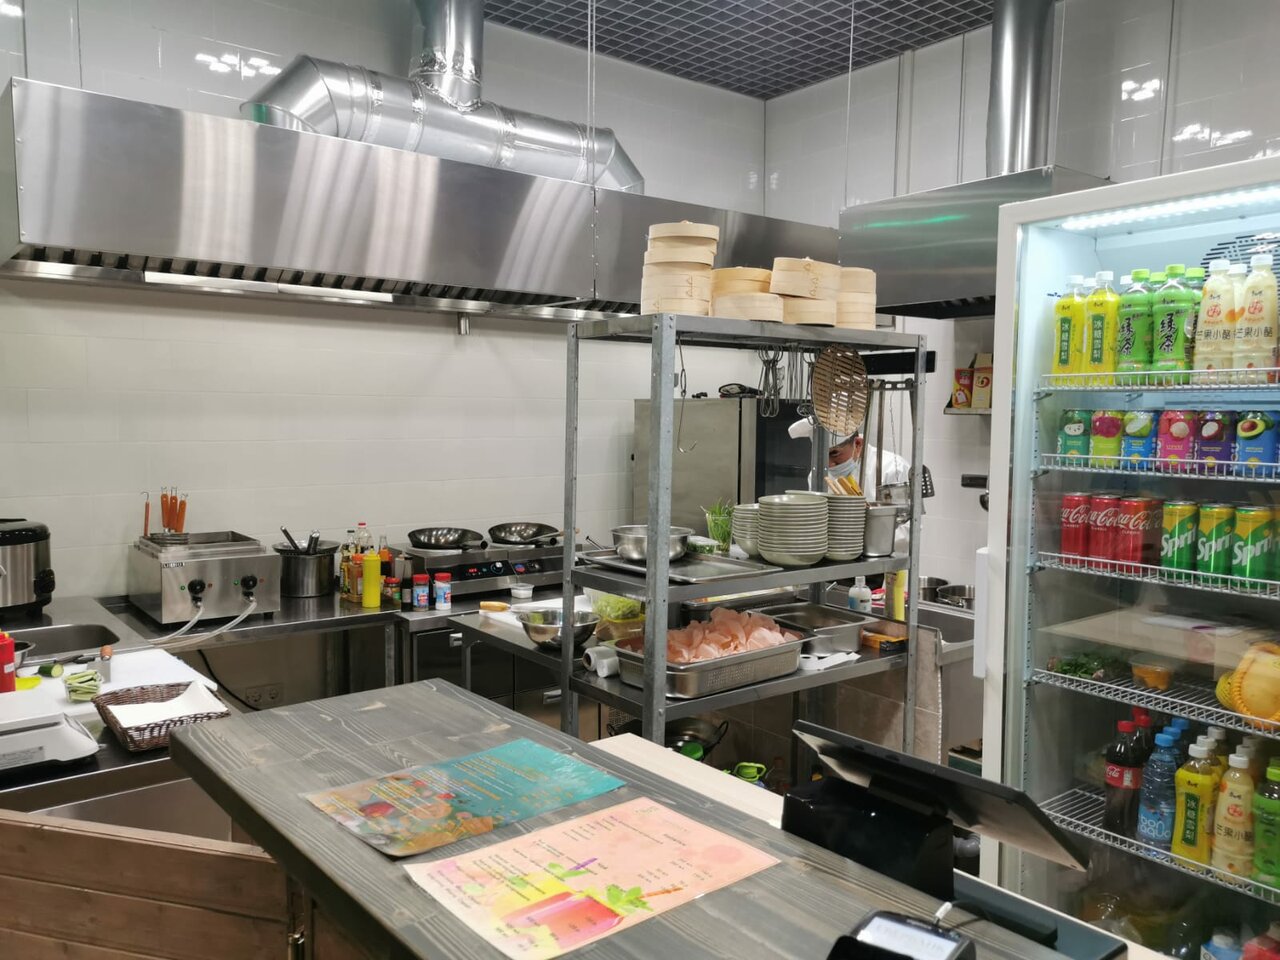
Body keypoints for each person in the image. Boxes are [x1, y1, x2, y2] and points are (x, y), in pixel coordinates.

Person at [789, 420, 910, 502]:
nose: (829, 464)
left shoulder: (893, 469)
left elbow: (905, 527)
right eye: (822, 455)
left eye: (835, 453)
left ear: (858, 444)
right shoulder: (818, 475)